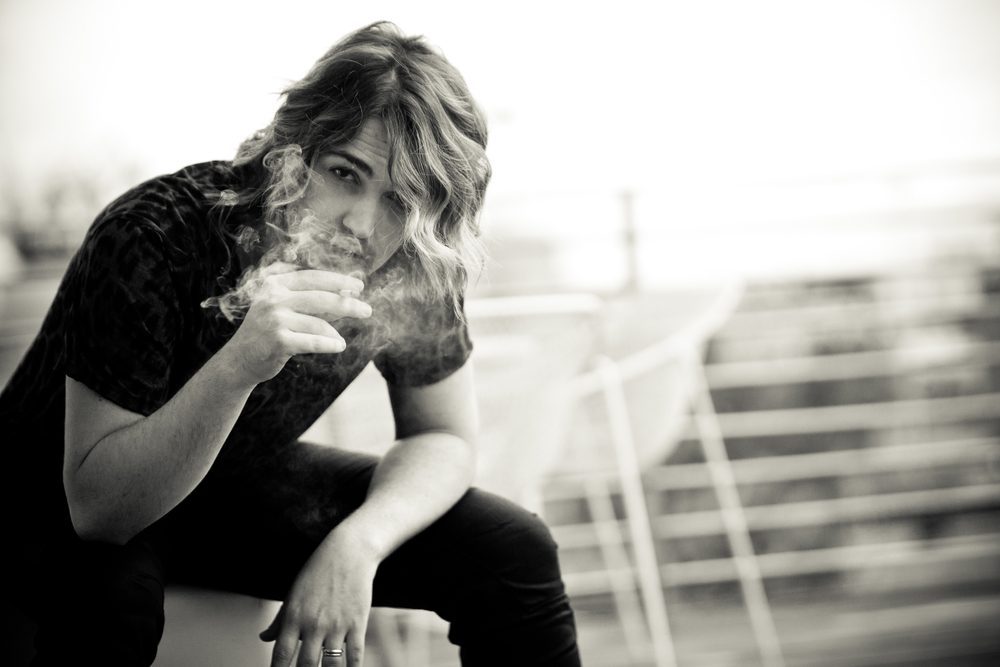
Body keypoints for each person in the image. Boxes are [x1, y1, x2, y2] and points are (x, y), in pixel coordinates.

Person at [0, 21, 581, 667]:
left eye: (401, 199)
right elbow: (99, 513)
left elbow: (442, 435)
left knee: (513, 550)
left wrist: (357, 545)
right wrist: (239, 365)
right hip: (54, 496)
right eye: (345, 172)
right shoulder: (154, 234)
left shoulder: (412, 258)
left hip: (233, 484)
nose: (362, 222)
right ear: (292, 150)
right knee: (110, 599)